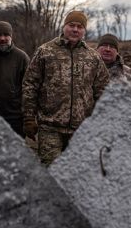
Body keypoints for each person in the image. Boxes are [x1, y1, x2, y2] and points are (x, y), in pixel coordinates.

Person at [22, 10, 109, 165]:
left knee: (78, 175)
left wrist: (102, 121)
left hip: (81, 130)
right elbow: (30, 84)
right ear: (64, 27)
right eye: (71, 25)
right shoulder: (45, 51)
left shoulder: (93, 57)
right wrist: (29, 117)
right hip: (50, 126)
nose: (75, 29)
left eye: (80, 26)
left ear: (84, 30)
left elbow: (103, 91)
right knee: (52, 172)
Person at [0, 21, 30, 137]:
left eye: (6, 35)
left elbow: (29, 88)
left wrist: (28, 117)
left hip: (15, 119)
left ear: (11, 36)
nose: (2, 38)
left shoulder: (22, 58)